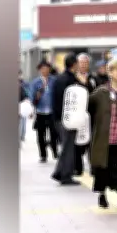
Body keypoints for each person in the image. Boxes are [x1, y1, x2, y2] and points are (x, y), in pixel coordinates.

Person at [88, 59, 117, 211]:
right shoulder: (99, 93)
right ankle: (102, 194)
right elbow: (87, 110)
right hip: (103, 139)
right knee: (102, 168)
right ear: (110, 73)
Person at [50, 54, 82, 185]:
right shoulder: (69, 79)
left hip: (60, 118)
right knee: (68, 147)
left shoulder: (59, 78)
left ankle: (59, 172)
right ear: (74, 64)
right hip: (68, 118)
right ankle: (65, 175)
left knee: (66, 146)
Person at [29, 61, 58, 162]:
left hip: (52, 111)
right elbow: (31, 98)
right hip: (40, 111)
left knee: (54, 133)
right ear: (40, 70)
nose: (45, 70)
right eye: (43, 68)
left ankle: (55, 150)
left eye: (47, 68)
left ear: (49, 69)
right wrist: (35, 97)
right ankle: (43, 155)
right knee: (41, 134)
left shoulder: (54, 80)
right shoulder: (35, 82)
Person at [74, 53, 97, 175]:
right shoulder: (73, 78)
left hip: (91, 114)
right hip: (77, 115)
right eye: (81, 62)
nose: (83, 65)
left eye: (85, 63)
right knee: (78, 142)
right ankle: (78, 168)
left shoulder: (93, 78)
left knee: (92, 142)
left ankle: (93, 167)